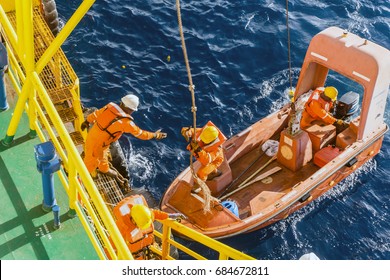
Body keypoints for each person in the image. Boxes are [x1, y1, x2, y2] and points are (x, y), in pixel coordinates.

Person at [81, 94, 167, 182]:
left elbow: (96, 114)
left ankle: (104, 169)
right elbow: (142, 134)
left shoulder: (109, 106)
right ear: (131, 110)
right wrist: (156, 135)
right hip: (98, 146)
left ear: (122, 102)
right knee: (90, 164)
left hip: (93, 136)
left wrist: (87, 121)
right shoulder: (126, 123)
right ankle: (78, 180)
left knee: (103, 156)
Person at [113, 194, 184, 259]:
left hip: (147, 249)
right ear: (133, 220)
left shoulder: (145, 215)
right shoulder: (122, 227)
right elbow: (111, 245)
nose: (141, 227)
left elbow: (157, 214)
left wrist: (171, 215)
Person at [181, 122, 226, 191]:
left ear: (212, 141)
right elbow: (192, 131)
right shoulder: (205, 132)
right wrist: (187, 132)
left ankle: (199, 186)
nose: (203, 141)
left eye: (205, 141)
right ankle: (215, 173)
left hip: (214, 161)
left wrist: (199, 150)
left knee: (202, 172)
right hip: (204, 155)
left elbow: (207, 160)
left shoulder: (217, 149)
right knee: (209, 170)